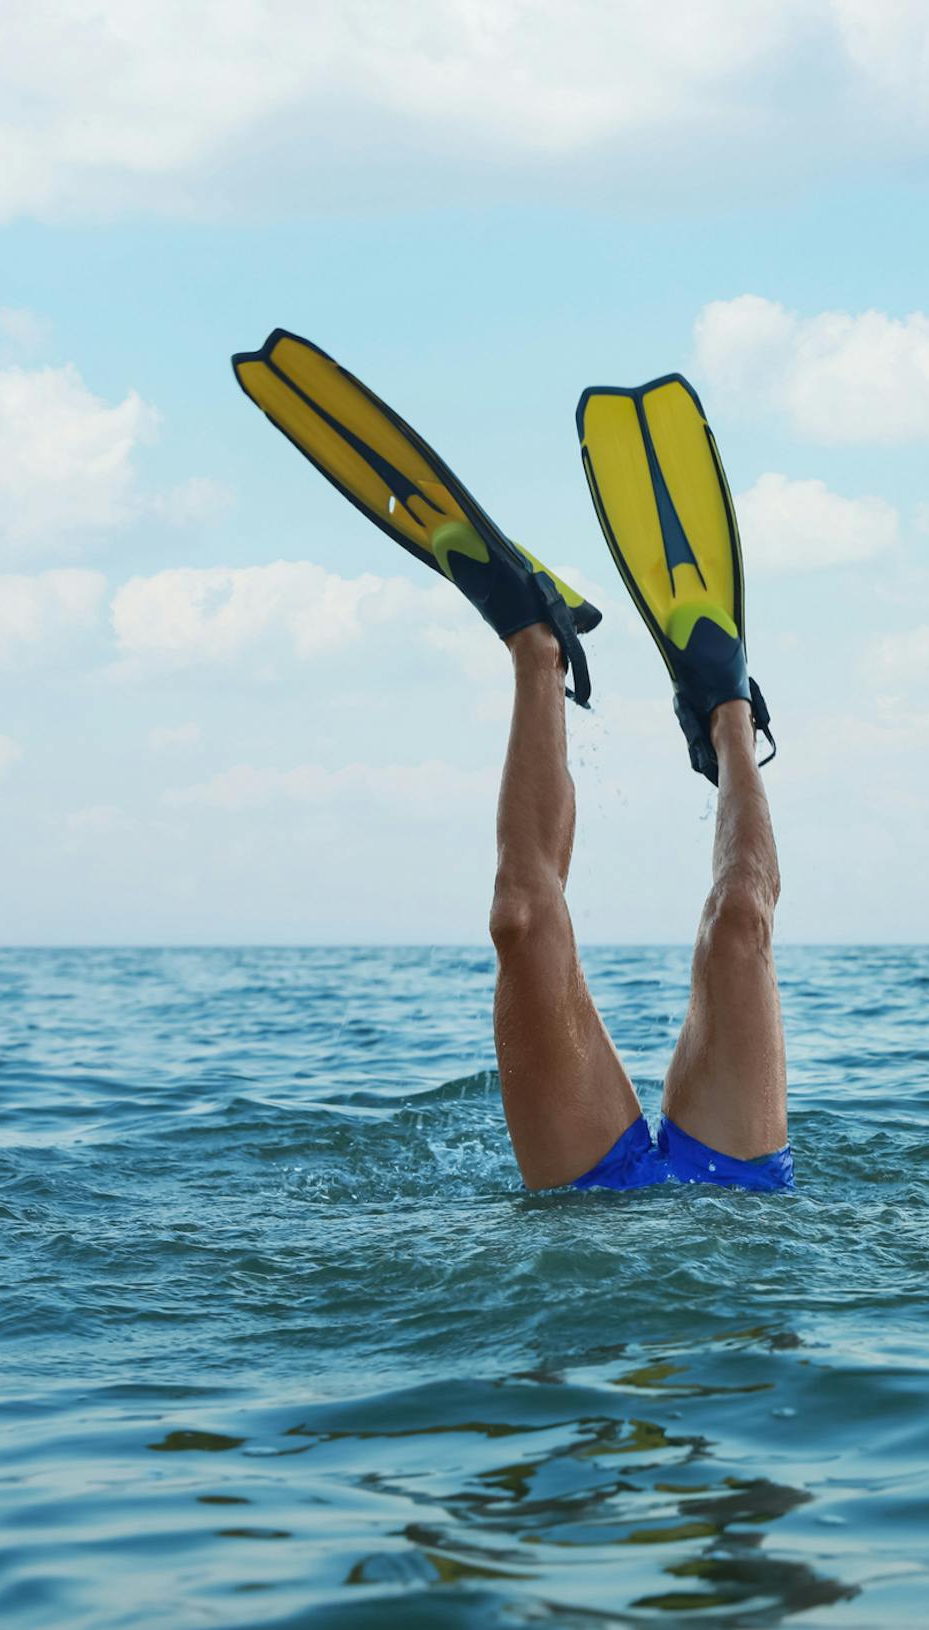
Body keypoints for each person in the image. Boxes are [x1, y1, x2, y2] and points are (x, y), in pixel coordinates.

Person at [233, 331, 790, 1193]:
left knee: (739, 922)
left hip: (687, 1200)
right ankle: (557, 649)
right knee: (522, 921)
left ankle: (718, 712)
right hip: (655, 1195)